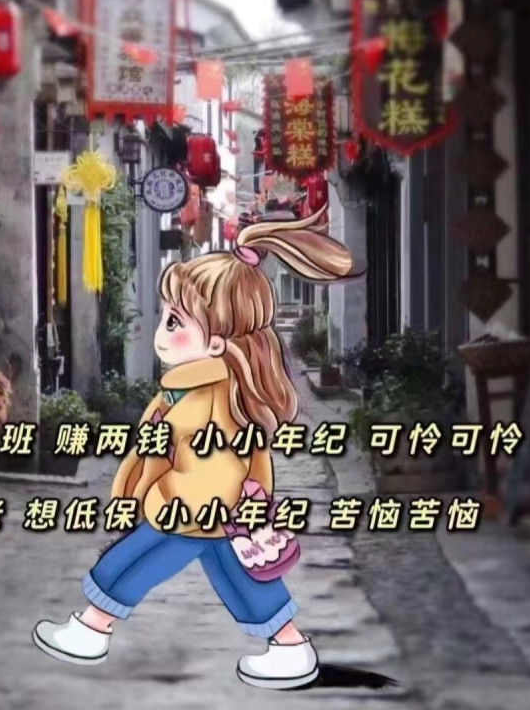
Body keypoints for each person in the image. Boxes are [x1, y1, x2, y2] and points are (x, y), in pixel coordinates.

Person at [32, 207, 364, 690]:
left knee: (126, 566)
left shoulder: (207, 398)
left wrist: (165, 504)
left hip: (190, 511)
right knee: (240, 578)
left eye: (175, 321)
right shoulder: (194, 389)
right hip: (209, 513)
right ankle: (290, 648)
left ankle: (90, 630)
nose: (162, 332)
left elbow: (214, 467)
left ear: (216, 344)